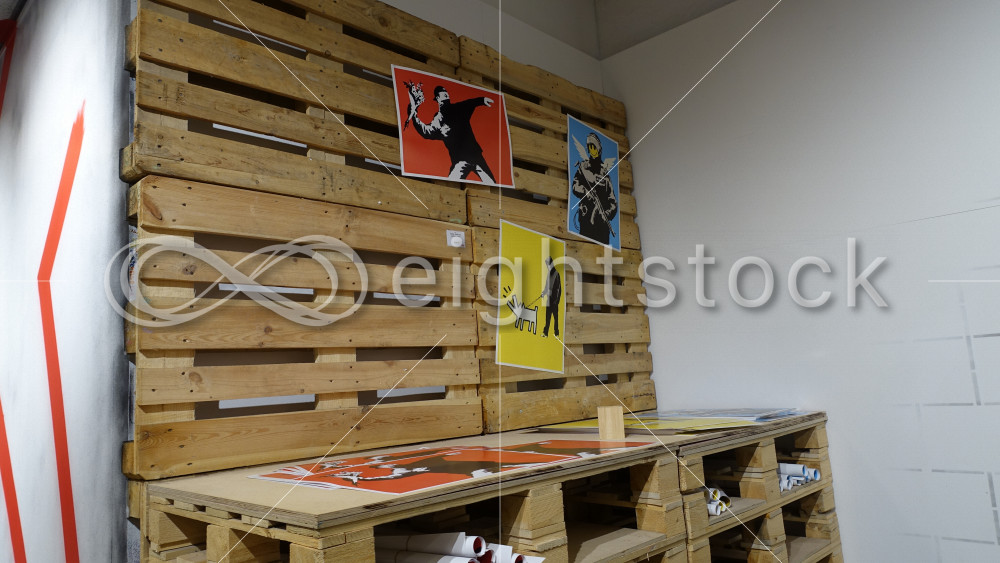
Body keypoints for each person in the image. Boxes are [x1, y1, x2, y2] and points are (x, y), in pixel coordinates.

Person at [408, 85, 497, 184]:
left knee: (492, 183)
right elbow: (427, 131)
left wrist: (482, 100)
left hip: (475, 156)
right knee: (450, 185)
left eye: (446, 92)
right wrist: (414, 117)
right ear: (438, 98)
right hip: (460, 160)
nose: (446, 93)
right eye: (443, 92)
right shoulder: (438, 119)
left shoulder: (458, 108)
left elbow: (469, 103)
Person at [571, 132, 618, 245]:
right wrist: (586, 193)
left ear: (599, 149)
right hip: (586, 220)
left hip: (602, 227)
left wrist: (607, 214)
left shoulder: (605, 174)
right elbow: (575, 186)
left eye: (594, 148)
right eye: (590, 147)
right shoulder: (583, 167)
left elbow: (613, 202)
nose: (593, 150)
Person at [540, 256, 562, 338]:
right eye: (547, 265)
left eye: (548, 265)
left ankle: (557, 334)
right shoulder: (548, 274)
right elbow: (546, 287)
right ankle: (545, 333)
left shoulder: (557, 274)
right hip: (549, 300)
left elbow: (559, 289)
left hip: (555, 301)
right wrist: (543, 293)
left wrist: (557, 301)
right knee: (547, 317)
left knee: (556, 318)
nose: (547, 267)